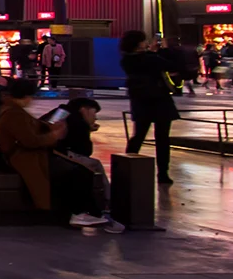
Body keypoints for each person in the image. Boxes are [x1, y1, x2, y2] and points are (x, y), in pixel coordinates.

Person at [0, 79, 105, 226]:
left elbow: (32, 128)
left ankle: (82, 211)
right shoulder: (14, 114)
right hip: (27, 158)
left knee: (76, 170)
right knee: (78, 172)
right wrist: (54, 135)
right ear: (26, 96)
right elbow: (30, 140)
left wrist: (50, 129)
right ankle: (79, 212)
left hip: (28, 155)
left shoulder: (11, 110)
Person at [54, 96, 123, 231]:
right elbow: (85, 150)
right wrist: (86, 128)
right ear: (84, 110)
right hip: (60, 155)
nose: (95, 118)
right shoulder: (78, 121)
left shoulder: (61, 112)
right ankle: (106, 207)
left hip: (51, 153)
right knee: (94, 166)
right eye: (94, 113)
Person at [120, 29, 177, 185]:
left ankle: (127, 164)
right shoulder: (152, 59)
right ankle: (163, 173)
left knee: (138, 135)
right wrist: (163, 49)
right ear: (139, 44)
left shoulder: (127, 60)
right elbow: (172, 64)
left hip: (140, 101)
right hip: (160, 100)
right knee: (162, 138)